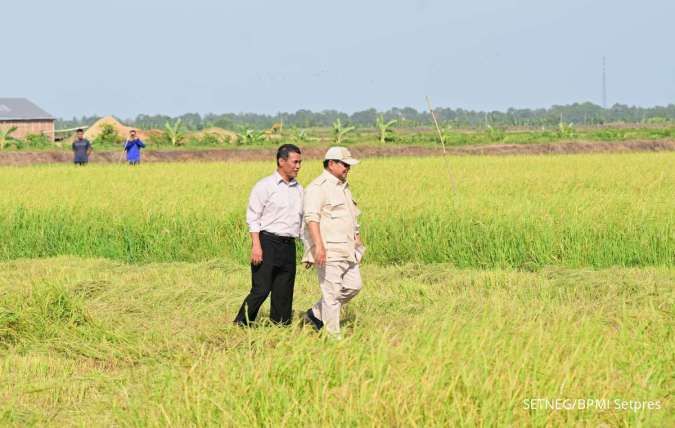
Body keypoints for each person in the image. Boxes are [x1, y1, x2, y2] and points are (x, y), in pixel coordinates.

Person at [234, 144, 303, 326]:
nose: (298, 166)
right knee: (261, 289)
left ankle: (280, 326)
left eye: (300, 162)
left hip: (289, 245)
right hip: (267, 242)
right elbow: (253, 217)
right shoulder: (264, 186)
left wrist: (309, 249)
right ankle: (241, 323)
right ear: (281, 161)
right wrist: (256, 246)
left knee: (284, 289)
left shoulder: (299, 189)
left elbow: (302, 221)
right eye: (295, 162)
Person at [302, 147, 364, 337]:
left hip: (347, 248)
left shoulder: (343, 186)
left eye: (348, 165)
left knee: (354, 286)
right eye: (344, 164)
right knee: (331, 295)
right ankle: (332, 338)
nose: (347, 168)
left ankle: (315, 313)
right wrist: (318, 247)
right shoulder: (317, 188)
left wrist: (357, 237)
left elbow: (350, 216)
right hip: (329, 249)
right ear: (331, 164)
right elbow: (311, 218)